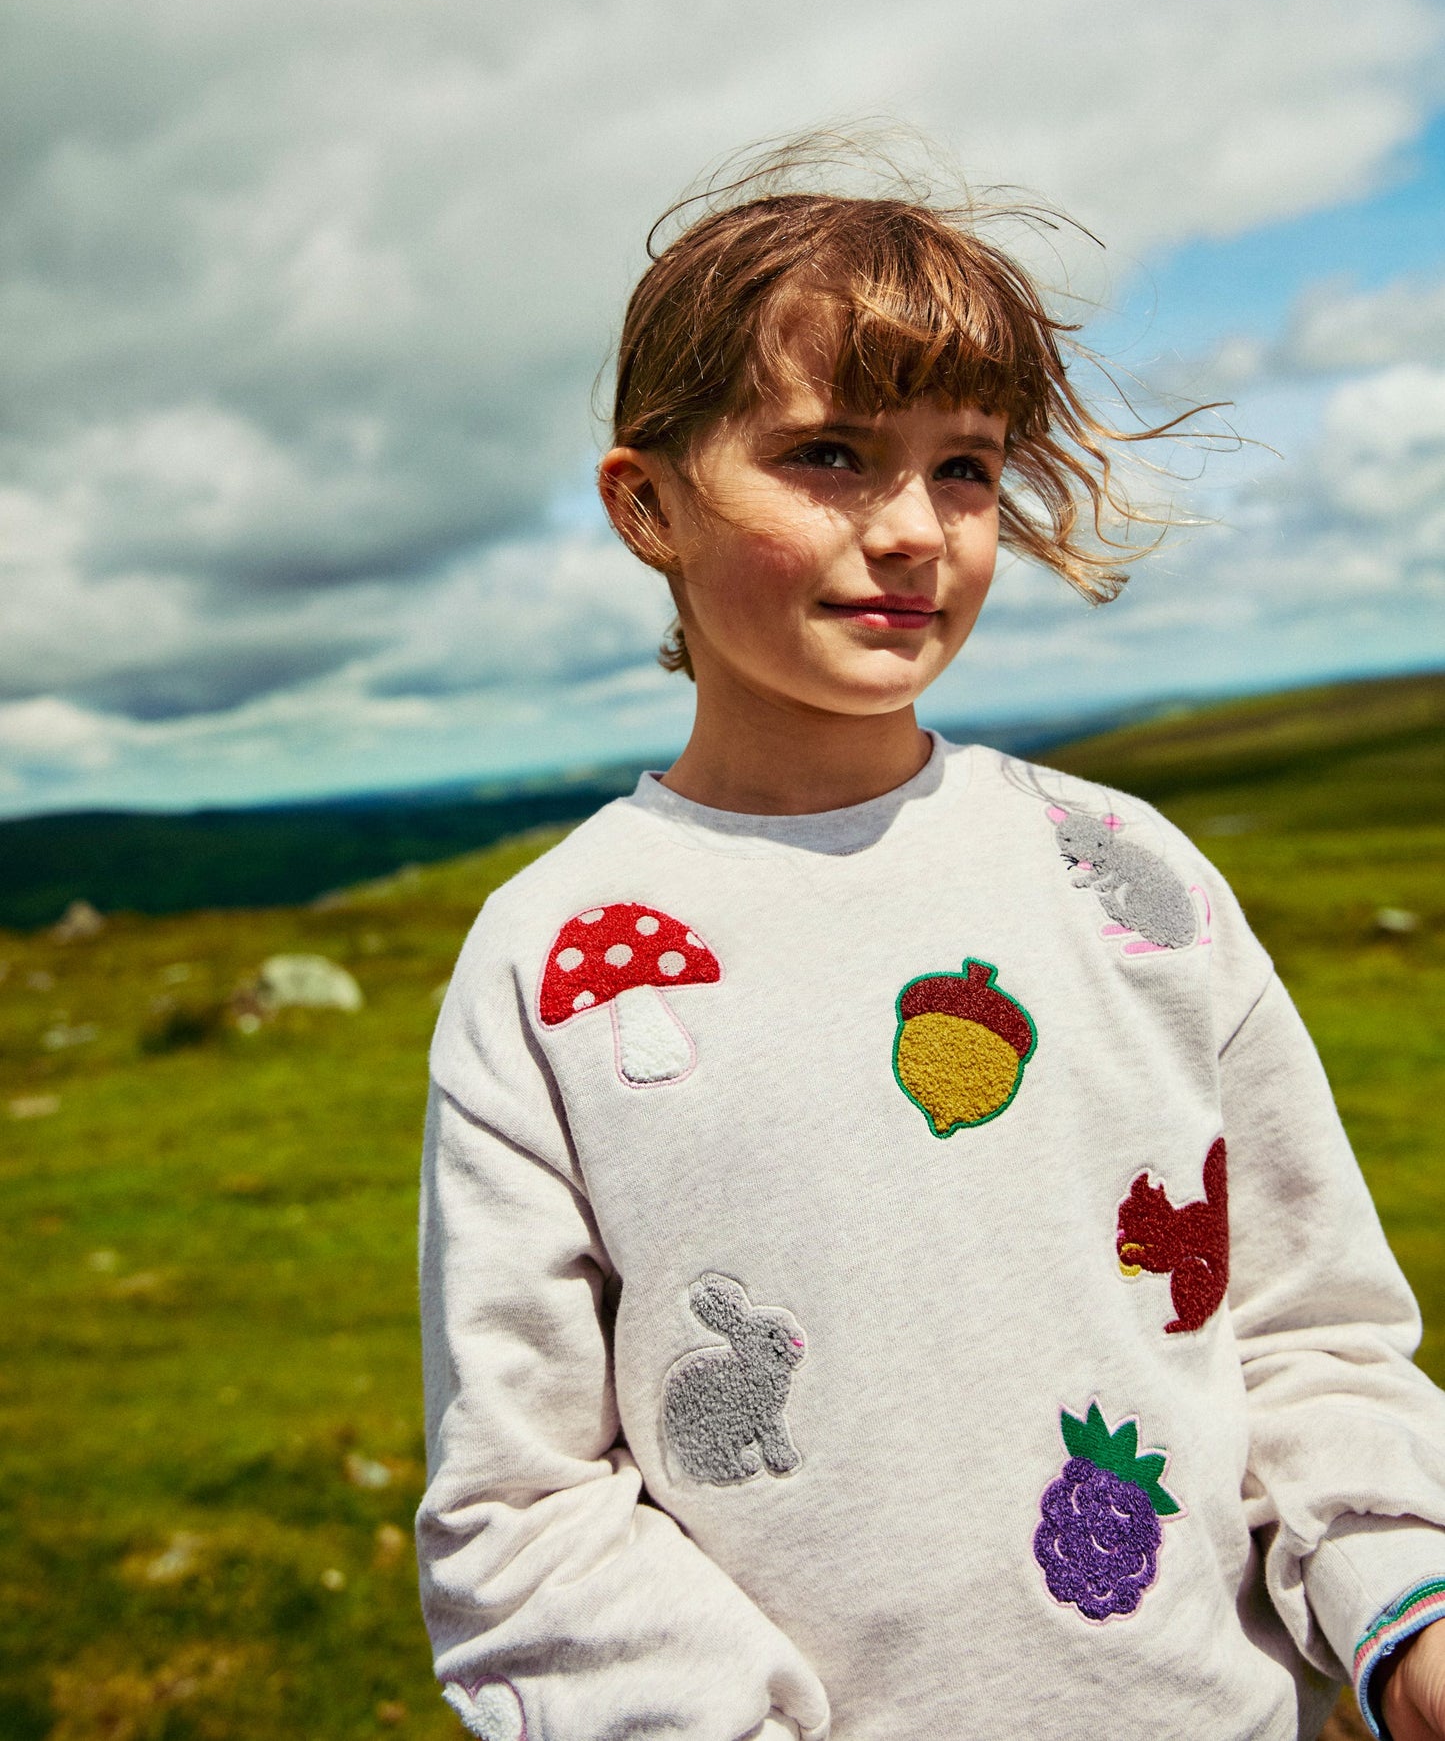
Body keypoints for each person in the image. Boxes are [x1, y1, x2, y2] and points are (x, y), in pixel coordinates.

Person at [416, 163, 1445, 1741]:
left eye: (962, 468)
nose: (908, 531)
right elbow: (526, 1504)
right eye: (826, 456)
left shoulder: (1130, 881)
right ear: (648, 505)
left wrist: (1405, 1613)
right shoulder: (552, 960)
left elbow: (1304, 1331)